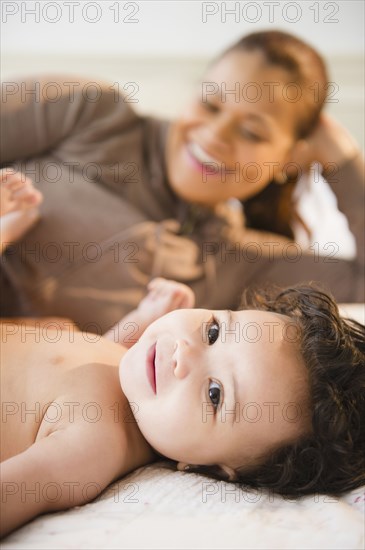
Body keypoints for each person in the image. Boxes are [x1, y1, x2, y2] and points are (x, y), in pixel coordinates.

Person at [0, 30, 364, 332]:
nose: (214, 135)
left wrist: (344, 162)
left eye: (252, 132)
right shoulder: (92, 113)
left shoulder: (242, 261)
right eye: (210, 104)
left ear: (290, 159)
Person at [1, 271, 364, 538]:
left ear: (214, 470)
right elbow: (86, 368)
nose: (183, 352)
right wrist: (140, 320)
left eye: (215, 394)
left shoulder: (94, 446)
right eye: (213, 332)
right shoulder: (135, 379)